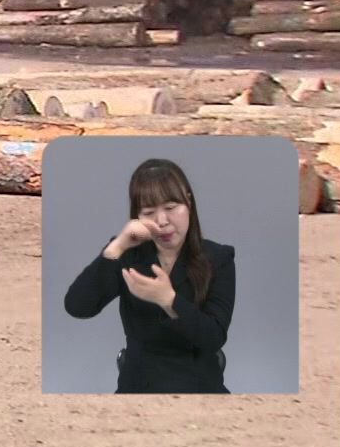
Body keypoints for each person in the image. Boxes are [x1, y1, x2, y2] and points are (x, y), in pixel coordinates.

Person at [62, 158, 235, 393]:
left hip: (200, 386)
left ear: (189, 202)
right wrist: (117, 248)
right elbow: (77, 307)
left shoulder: (218, 258)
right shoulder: (128, 253)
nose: (161, 221)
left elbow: (213, 337)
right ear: (137, 215)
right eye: (149, 212)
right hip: (138, 385)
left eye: (171, 207)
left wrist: (169, 301)